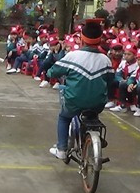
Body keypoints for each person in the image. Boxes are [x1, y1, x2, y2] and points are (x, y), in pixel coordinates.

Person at [48, 19, 114, 160]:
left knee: (64, 118)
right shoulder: (105, 60)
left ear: (82, 39)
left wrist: (50, 74)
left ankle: (61, 149)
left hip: (74, 101)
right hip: (98, 103)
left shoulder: (72, 56)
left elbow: (53, 72)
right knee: (93, 115)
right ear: (99, 40)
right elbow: (111, 81)